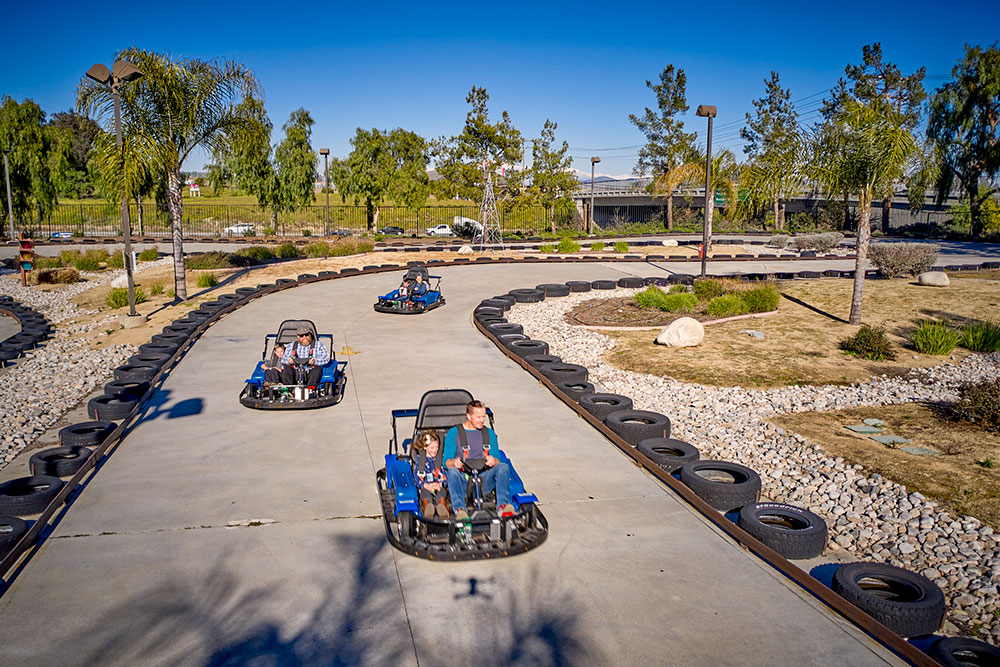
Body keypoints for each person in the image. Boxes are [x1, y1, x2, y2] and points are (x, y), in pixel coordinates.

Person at [443, 399, 515, 521]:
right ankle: (460, 510)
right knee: (452, 471)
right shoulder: (454, 433)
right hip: (463, 482)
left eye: (484, 417)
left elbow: (497, 459)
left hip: (484, 481)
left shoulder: (489, 433)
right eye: (478, 417)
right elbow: (446, 462)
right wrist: (454, 462)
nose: (482, 420)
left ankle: (503, 506)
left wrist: (493, 461)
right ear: (468, 416)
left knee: (503, 466)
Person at [412, 429, 449, 519]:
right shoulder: (420, 460)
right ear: (425, 447)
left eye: (437, 447)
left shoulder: (441, 458)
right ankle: (427, 507)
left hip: (438, 485)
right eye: (432, 448)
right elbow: (417, 477)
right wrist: (425, 485)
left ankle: (442, 506)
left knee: (441, 494)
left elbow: (446, 473)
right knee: (425, 495)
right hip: (426, 486)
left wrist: (441, 483)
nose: (435, 450)